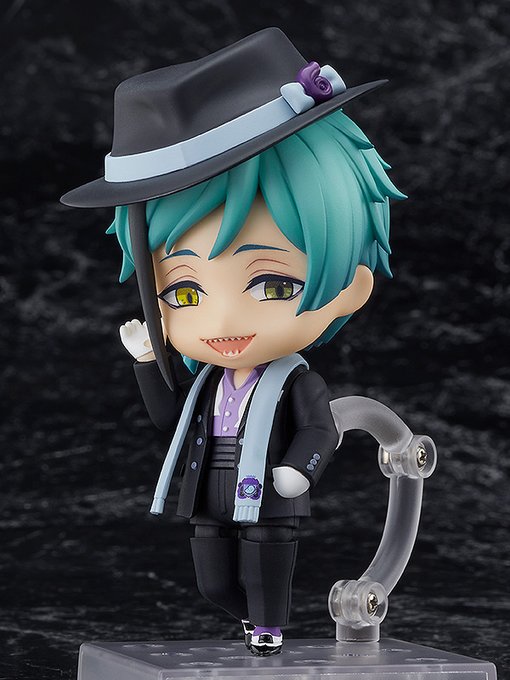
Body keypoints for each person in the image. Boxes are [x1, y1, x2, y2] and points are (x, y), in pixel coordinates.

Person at [61, 27, 404, 656]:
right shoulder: (206, 383)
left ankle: (268, 627)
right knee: (214, 582)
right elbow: (170, 420)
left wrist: (298, 471)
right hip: (208, 490)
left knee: (265, 573)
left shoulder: (298, 381)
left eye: (272, 284)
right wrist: (148, 362)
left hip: (270, 497)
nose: (221, 320)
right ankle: (247, 619)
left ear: (351, 288)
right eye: (185, 293)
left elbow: (320, 428)